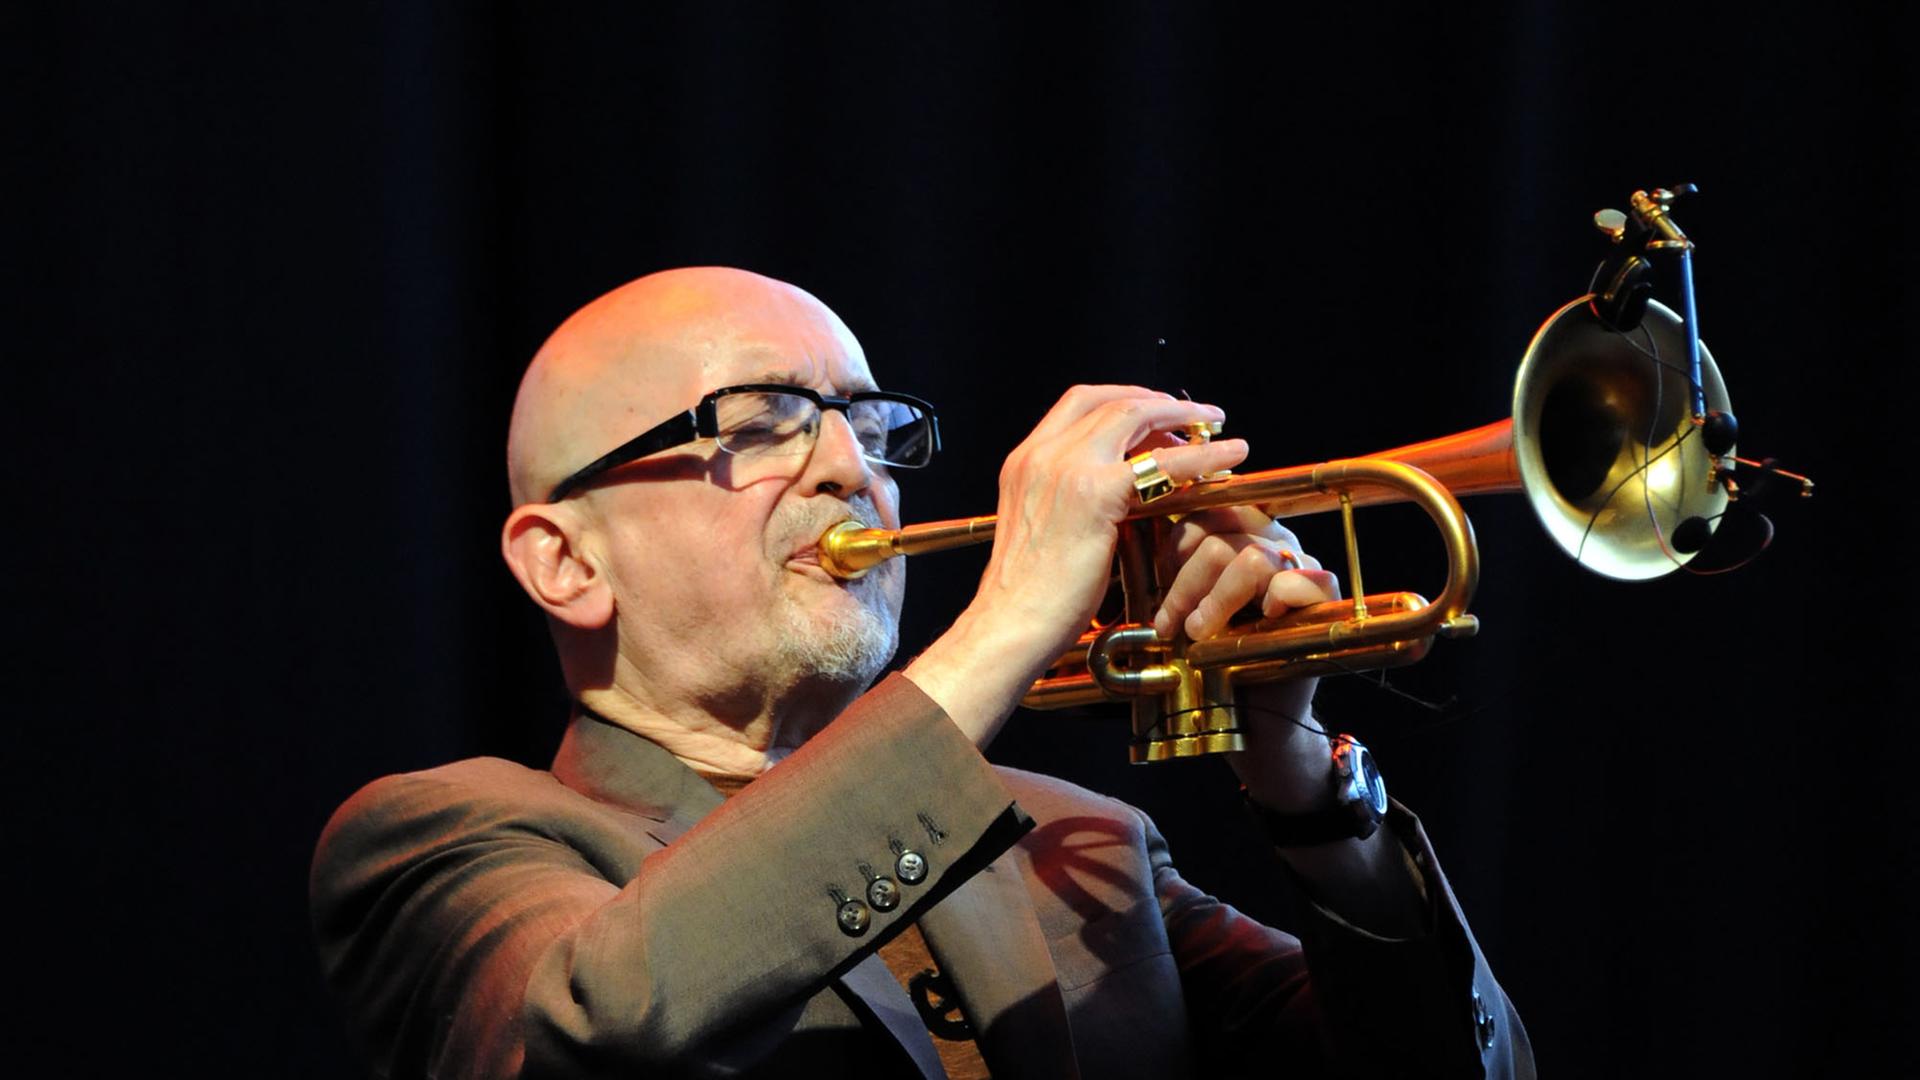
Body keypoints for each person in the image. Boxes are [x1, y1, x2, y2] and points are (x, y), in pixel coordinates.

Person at [311, 267, 1534, 1078]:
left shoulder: (1076, 840)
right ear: (567, 560)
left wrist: (1303, 784)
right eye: (762, 416)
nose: (855, 469)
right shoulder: (446, 842)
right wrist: (1006, 617)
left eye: (869, 423)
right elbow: (609, 1025)